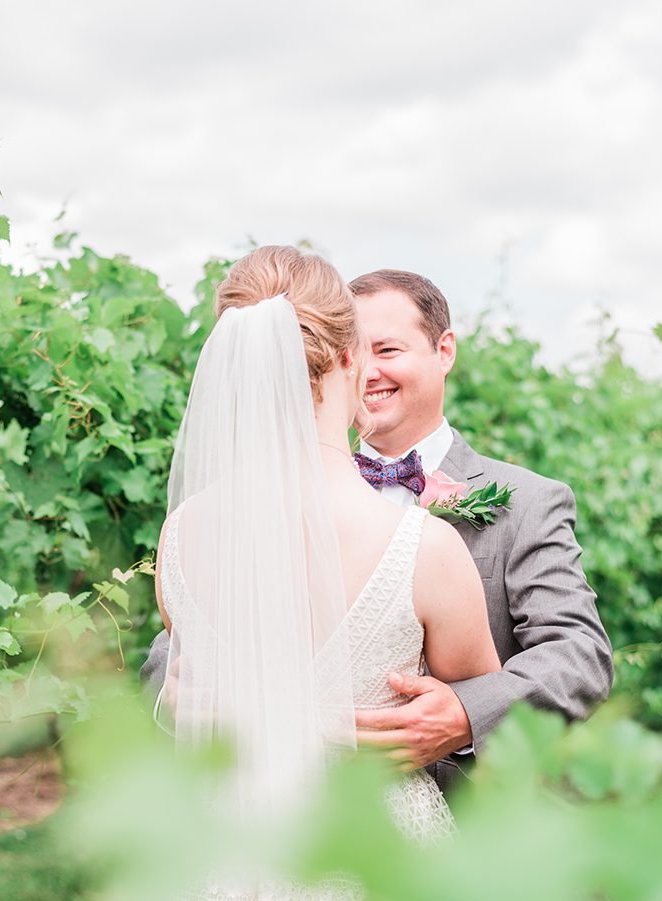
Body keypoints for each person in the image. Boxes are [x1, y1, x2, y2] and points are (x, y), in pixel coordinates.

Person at [144, 267, 614, 797]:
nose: (370, 369)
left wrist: (466, 714)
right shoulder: (239, 509)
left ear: (444, 350)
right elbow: (181, 638)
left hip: (462, 808)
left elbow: (578, 652)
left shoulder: (527, 499)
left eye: (388, 350)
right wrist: (171, 694)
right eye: (358, 349)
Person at [152, 247, 499, 896]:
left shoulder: (181, 537)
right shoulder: (426, 549)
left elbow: (190, 676)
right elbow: (501, 734)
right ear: (349, 356)